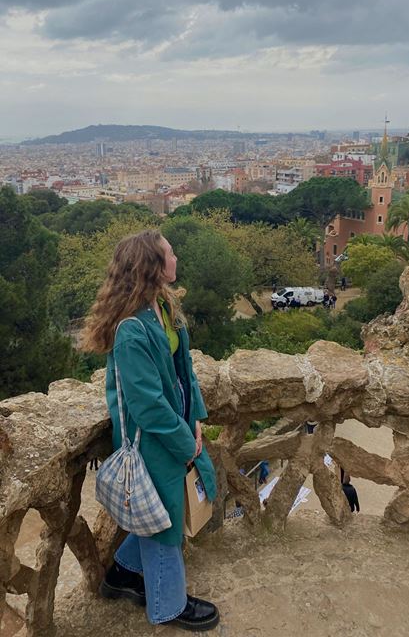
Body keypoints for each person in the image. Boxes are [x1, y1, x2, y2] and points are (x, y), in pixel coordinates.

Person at [80, 230, 220, 632]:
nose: (176, 257)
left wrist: (195, 418)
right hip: (150, 442)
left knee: (157, 511)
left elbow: (185, 371)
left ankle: (121, 575)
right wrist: (185, 444)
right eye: (170, 253)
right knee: (164, 525)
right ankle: (168, 607)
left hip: (175, 427)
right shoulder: (130, 330)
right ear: (153, 267)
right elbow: (146, 405)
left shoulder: (163, 306)